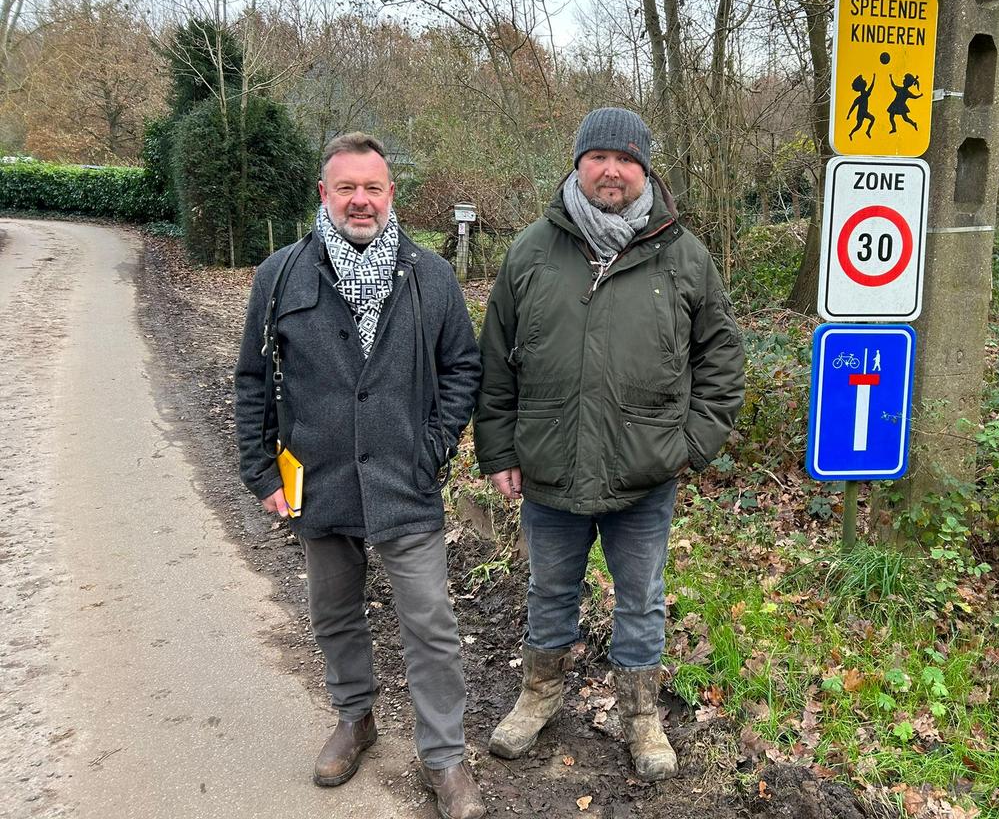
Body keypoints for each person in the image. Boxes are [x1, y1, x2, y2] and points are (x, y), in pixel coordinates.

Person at [474, 107, 745, 780]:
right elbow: (496, 362)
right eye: (599, 158)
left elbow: (721, 356)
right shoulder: (531, 251)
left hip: (644, 472)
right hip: (550, 466)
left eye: (627, 160)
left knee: (642, 598)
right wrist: (499, 451)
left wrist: (693, 443)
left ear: (645, 169)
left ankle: (642, 716)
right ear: (578, 164)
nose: (613, 171)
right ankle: (539, 694)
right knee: (550, 591)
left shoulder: (682, 254)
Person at [234, 132, 485, 819]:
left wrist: (433, 446)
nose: (361, 200)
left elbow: (465, 366)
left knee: (430, 623)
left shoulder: (430, 276)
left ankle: (444, 757)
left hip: (406, 481)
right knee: (334, 613)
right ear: (324, 194)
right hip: (318, 480)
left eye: (373, 187)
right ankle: (356, 718)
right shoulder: (281, 276)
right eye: (347, 188)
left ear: (390, 193)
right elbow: (254, 380)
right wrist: (262, 471)